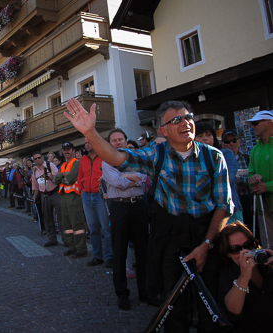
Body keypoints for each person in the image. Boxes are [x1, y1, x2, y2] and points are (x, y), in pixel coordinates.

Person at [65, 99, 233, 330]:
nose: (185, 123)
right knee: (174, 302)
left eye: (188, 117)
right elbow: (116, 158)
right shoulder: (156, 153)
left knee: (209, 302)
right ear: (162, 130)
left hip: (207, 236)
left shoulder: (214, 157)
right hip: (172, 238)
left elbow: (224, 205)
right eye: (176, 120)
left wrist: (206, 244)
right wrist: (90, 132)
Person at [101, 128, 150, 309]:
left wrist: (124, 176)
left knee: (142, 250)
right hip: (119, 206)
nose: (118, 143)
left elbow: (145, 176)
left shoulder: (136, 158)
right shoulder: (106, 161)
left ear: (125, 140)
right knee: (120, 251)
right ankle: (122, 294)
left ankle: (145, 292)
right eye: (114, 140)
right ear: (109, 143)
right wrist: (134, 178)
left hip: (138, 204)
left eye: (120, 139)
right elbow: (116, 182)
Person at [216, 222, 273, 332]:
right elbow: (232, 313)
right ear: (228, 253)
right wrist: (244, 277)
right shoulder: (227, 274)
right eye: (235, 249)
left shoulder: (266, 264)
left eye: (248, 245)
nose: (244, 252)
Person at [195, 122, 242, 224]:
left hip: (228, 210)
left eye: (208, 135)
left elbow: (227, 178)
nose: (205, 139)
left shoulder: (225, 154)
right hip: (203, 211)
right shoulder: (191, 160)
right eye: (200, 136)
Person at [77, 138, 114, 268]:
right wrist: (81, 188)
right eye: (86, 143)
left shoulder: (103, 157)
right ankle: (97, 256)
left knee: (106, 228)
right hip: (87, 195)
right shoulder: (84, 159)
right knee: (93, 229)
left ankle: (110, 257)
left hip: (100, 196)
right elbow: (80, 176)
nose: (87, 145)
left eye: (89, 142)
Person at [53, 142, 87, 258]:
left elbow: (71, 179)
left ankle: (81, 248)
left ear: (73, 151)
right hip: (64, 198)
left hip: (74, 197)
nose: (66, 151)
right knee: (67, 226)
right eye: (64, 150)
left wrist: (61, 177)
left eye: (68, 149)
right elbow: (54, 180)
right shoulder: (63, 166)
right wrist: (63, 175)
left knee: (77, 225)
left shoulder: (76, 163)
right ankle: (72, 247)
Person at [246, 111, 273, 248]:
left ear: (268, 122)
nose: (252, 127)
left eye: (255, 123)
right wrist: (253, 179)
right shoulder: (255, 150)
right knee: (268, 245)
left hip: (266, 198)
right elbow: (250, 174)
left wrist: (267, 186)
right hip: (262, 205)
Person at [221, 129, 254, 230]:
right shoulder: (221, 159)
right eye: (228, 141)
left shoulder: (248, 158)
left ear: (239, 141)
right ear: (222, 144)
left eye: (234, 140)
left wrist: (239, 181)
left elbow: (253, 179)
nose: (232, 143)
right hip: (233, 201)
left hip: (248, 200)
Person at [32, 151, 61, 246]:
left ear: (42, 157)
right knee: (47, 218)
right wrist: (34, 198)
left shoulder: (50, 165)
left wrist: (50, 178)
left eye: (39, 157)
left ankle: (66, 239)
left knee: (61, 217)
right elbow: (36, 187)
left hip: (54, 193)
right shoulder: (35, 171)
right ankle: (52, 239)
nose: (37, 160)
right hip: (44, 195)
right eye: (35, 159)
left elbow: (58, 178)